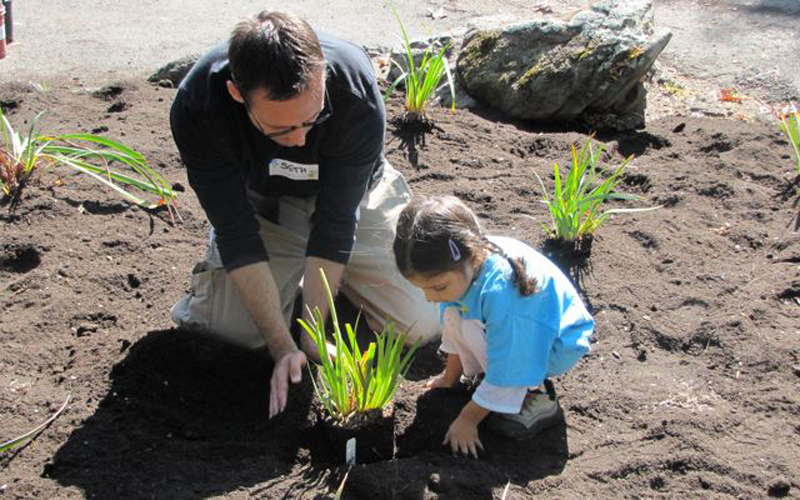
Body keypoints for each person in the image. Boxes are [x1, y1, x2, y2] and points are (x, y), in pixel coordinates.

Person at [169, 11, 439, 419]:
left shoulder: (355, 91)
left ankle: (321, 294)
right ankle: (291, 288)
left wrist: (312, 338)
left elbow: (335, 224)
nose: (299, 140)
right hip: (265, 203)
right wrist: (283, 346)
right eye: (279, 130)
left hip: (354, 198)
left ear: (324, 76)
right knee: (233, 333)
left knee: (421, 324)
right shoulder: (198, 108)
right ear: (238, 94)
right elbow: (237, 231)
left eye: (313, 120)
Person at [393, 195, 594, 458]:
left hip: (554, 343)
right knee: (456, 317)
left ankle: (538, 397)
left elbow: (512, 361)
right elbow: (454, 325)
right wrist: (448, 378)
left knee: (504, 360)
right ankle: (492, 381)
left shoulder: (505, 297)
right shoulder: (465, 270)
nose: (430, 297)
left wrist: (468, 419)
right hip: (519, 327)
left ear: (472, 256)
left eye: (438, 287)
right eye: (423, 289)